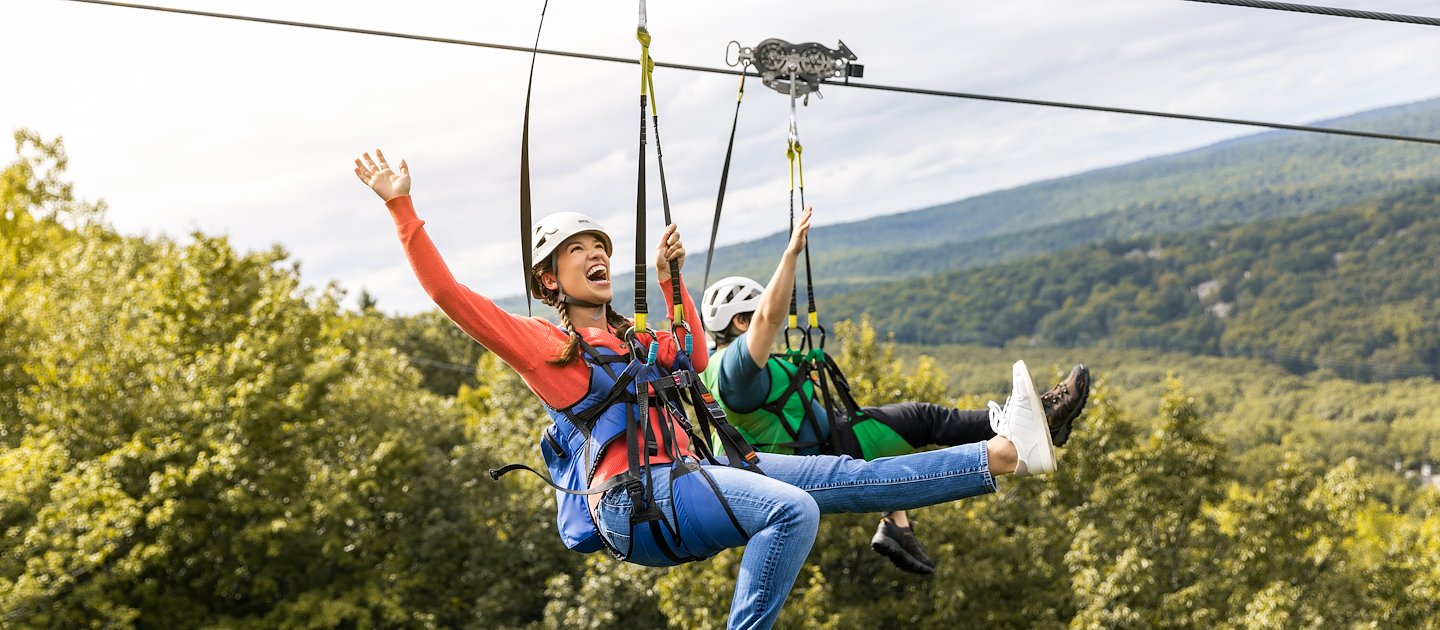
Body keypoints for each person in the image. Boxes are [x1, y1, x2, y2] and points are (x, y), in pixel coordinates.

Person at [354, 150, 1061, 629]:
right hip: (637, 500)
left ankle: (1005, 455)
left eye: (599, 246)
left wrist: (670, 282)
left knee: (848, 476)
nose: (597, 254)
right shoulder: (547, 348)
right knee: (790, 513)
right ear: (549, 280)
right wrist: (401, 209)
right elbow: (449, 294)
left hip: (694, 472)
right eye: (578, 251)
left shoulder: (631, 339)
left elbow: (691, 352)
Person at [700, 207, 1091, 575]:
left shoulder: (712, 365)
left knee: (915, 425)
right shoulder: (733, 370)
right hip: (823, 450)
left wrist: (671, 279)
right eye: (750, 320)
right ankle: (1036, 423)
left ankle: (897, 523)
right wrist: (791, 254)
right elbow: (769, 317)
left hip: (827, 435)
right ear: (738, 321)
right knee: (925, 420)